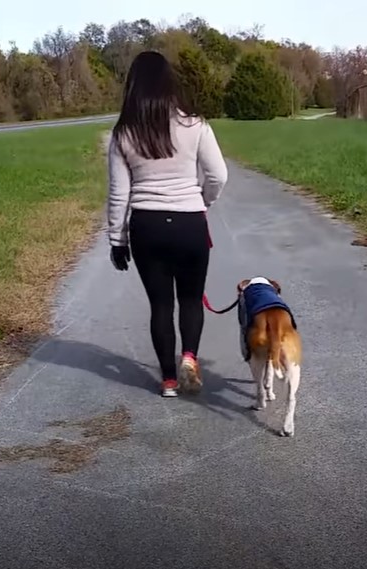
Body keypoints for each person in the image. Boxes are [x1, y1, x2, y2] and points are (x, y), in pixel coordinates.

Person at [107, 51, 228, 398]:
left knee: (160, 305)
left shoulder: (124, 133)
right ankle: (189, 357)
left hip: (147, 227)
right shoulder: (196, 125)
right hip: (190, 224)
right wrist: (203, 200)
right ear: (168, 83)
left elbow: (119, 193)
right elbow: (218, 175)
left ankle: (169, 380)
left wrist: (118, 239)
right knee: (190, 299)